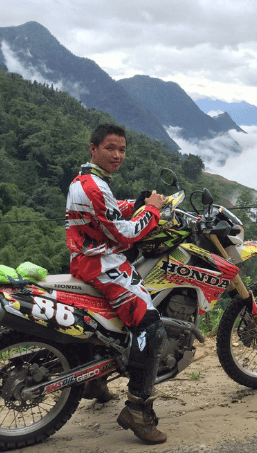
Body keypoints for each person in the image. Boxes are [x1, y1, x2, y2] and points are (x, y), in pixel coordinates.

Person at [65, 124, 168, 444]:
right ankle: (138, 408)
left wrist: (136, 202)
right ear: (93, 148)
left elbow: (109, 210)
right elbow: (124, 234)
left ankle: (96, 379)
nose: (117, 155)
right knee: (150, 327)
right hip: (103, 264)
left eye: (122, 149)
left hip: (87, 259)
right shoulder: (94, 187)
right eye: (110, 148)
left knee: (113, 321)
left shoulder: (86, 179)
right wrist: (152, 210)